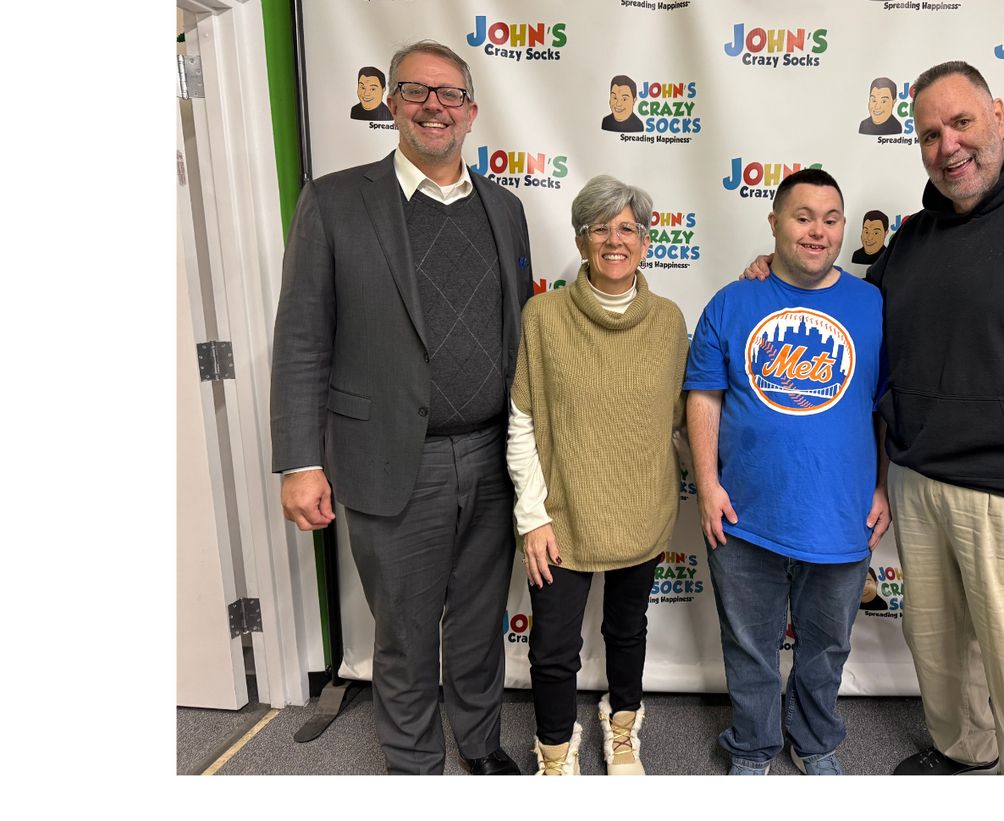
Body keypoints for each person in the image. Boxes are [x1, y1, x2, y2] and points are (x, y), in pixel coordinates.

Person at [742, 61, 1004, 775]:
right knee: (941, 653)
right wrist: (781, 276)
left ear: (997, 114)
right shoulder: (915, 239)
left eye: (961, 122)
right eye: (930, 134)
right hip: (924, 481)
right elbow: (861, 320)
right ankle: (968, 756)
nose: (948, 145)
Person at [271, 39, 533, 776]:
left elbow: (519, 332)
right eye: (415, 91)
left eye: (449, 95)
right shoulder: (335, 201)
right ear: (391, 105)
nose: (433, 106)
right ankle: (415, 766)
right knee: (406, 633)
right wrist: (300, 459)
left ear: (472, 112)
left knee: (480, 627)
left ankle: (480, 745)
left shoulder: (506, 211)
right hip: (390, 461)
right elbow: (300, 339)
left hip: (491, 457)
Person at [686, 168, 889, 776]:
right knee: (749, 646)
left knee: (826, 647)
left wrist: (881, 485)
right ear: (773, 222)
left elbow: (883, 407)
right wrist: (707, 485)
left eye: (831, 219)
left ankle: (816, 740)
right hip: (745, 512)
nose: (817, 231)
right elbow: (703, 396)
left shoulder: (871, 304)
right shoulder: (731, 301)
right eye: (802, 217)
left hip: (841, 512)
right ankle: (753, 745)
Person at [507, 175, 690, 776]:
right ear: (582, 240)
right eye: (601, 228)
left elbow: (681, 422)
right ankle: (556, 753)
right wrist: (531, 516)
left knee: (626, 631)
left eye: (628, 229)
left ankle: (622, 729)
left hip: (640, 508)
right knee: (553, 649)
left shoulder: (668, 323)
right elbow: (522, 423)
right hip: (560, 518)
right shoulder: (545, 316)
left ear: (645, 240)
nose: (616, 240)